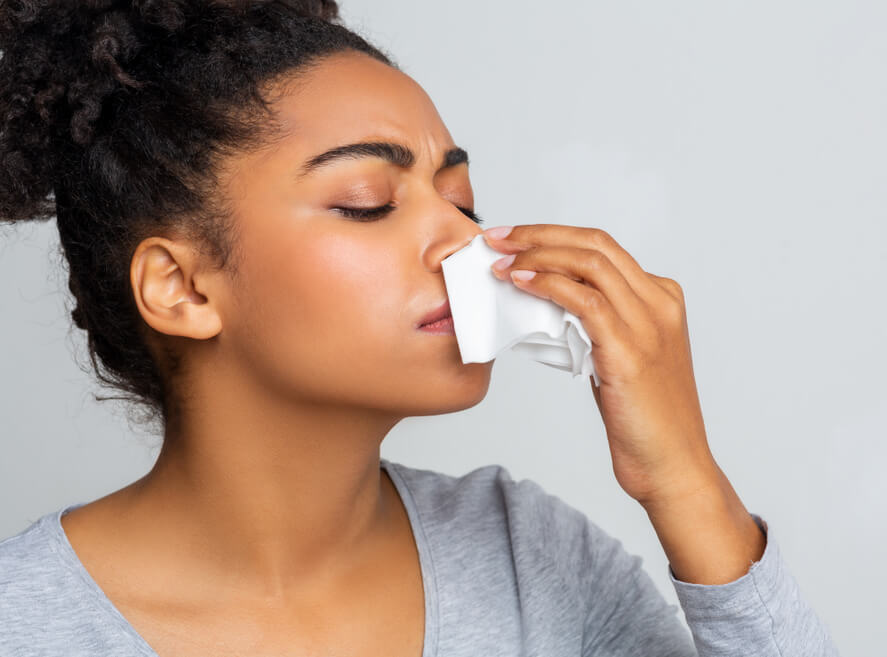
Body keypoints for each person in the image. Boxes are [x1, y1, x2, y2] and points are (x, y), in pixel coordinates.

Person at [0, 2, 841, 655]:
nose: (466, 239)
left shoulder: (527, 558)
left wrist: (687, 482)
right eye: (369, 203)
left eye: (463, 199)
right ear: (181, 286)